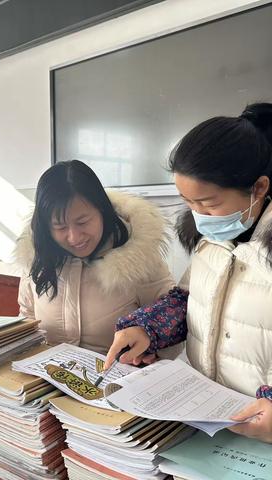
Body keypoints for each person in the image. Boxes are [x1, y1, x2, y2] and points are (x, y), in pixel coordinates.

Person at [105, 103, 272, 443]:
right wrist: (148, 329)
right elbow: (189, 299)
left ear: (258, 188)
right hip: (211, 418)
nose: (199, 215)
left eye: (209, 205)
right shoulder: (209, 241)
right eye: (188, 203)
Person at [16, 160, 176, 356]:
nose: (74, 237)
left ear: (102, 211)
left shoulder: (139, 259)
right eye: (60, 227)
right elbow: (26, 322)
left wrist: (150, 346)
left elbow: (173, 326)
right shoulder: (37, 259)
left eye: (82, 222)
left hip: (118, 380)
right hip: (46, 381)